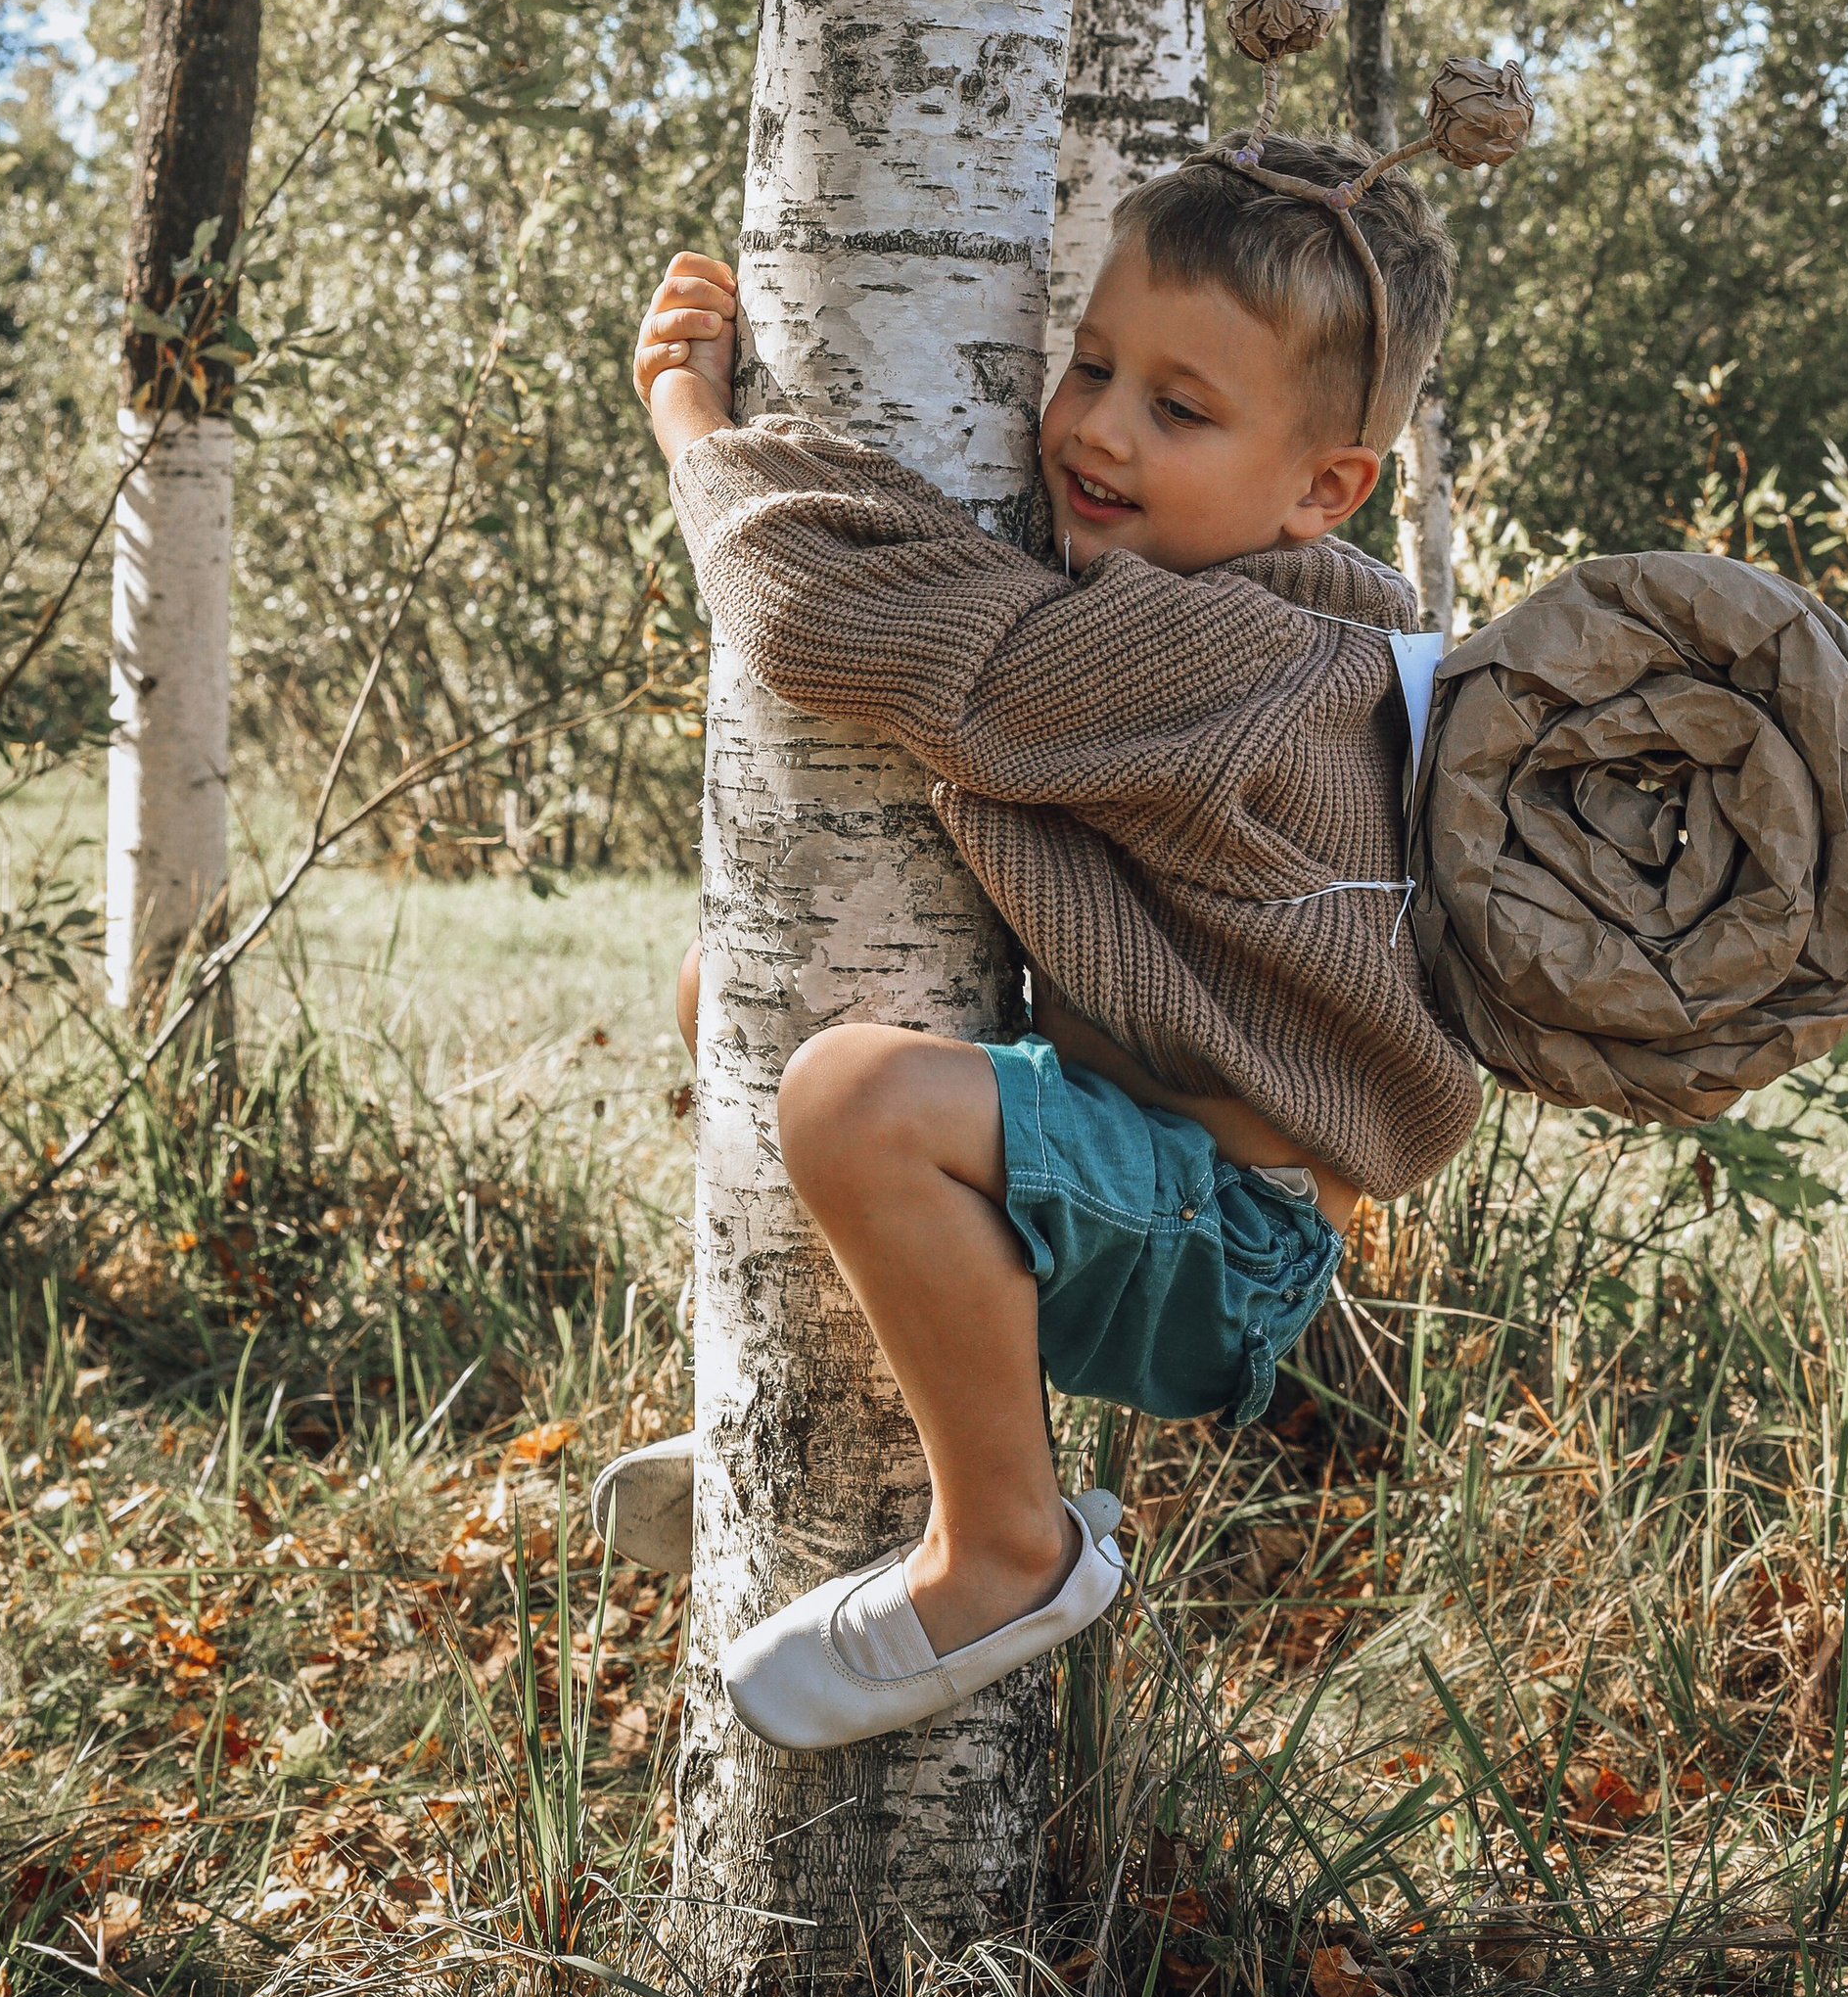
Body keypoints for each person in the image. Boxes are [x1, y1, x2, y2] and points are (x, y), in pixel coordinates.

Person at [595, 127, 1483, 1752]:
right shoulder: (1303, 613)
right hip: (1145, 1155)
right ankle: (806, 1433)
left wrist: (692, 418)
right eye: (1089, 366)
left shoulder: (1225, 652)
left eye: (1178, 408)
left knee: (852, 1102)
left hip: (1220, 1233)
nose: (1094, 430)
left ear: (1324, 487)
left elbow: (828, 614)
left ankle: (1007, 1546)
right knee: (736, 990)